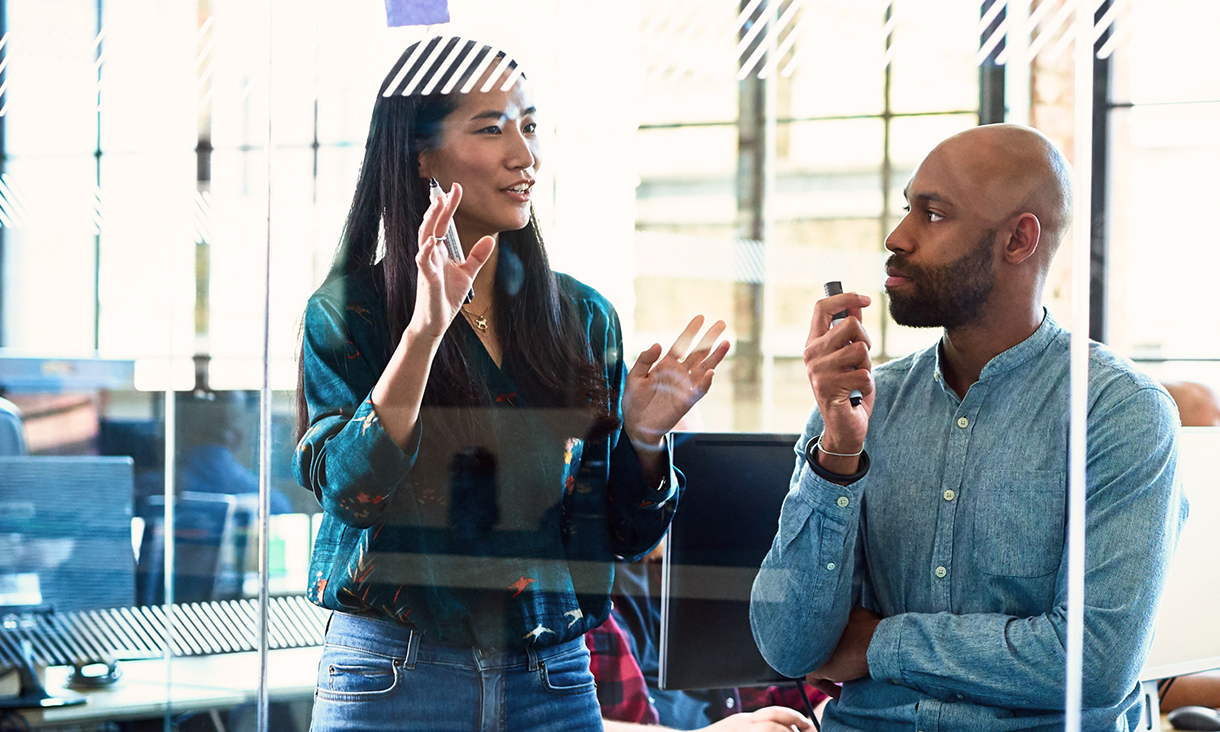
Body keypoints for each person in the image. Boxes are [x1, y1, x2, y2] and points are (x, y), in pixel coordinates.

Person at [293, 36, 729, 731]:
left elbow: (622, 531)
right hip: (395, 674)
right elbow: (353, 491)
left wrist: (645, 435)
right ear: (422, 154)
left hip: (552, 679)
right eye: (491, 128)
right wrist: (424, 334)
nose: (524, 154)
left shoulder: (582, 318)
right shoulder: (353, 314)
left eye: (528, 125)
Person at [749, 123, 1187, 731]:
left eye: (932, 215)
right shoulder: (861, 406)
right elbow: (789, 647)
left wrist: (881, 644)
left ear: (1018, 239)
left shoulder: (1119, 412)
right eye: (908, 208)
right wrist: (836, 458)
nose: (896, 237)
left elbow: (1094, 664)